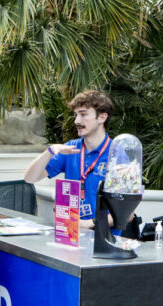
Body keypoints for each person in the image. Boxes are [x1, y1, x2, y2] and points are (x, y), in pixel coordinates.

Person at [24, 90, 115, 228]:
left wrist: (87, 224)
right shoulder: (70, 149)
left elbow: (126, 214)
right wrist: (49, 152)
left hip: (106, 241)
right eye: (76, 115)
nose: (77, 121)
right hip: (72, 236)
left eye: (83, 114)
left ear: (102, 117)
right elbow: (29, 178)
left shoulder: (117, 154)